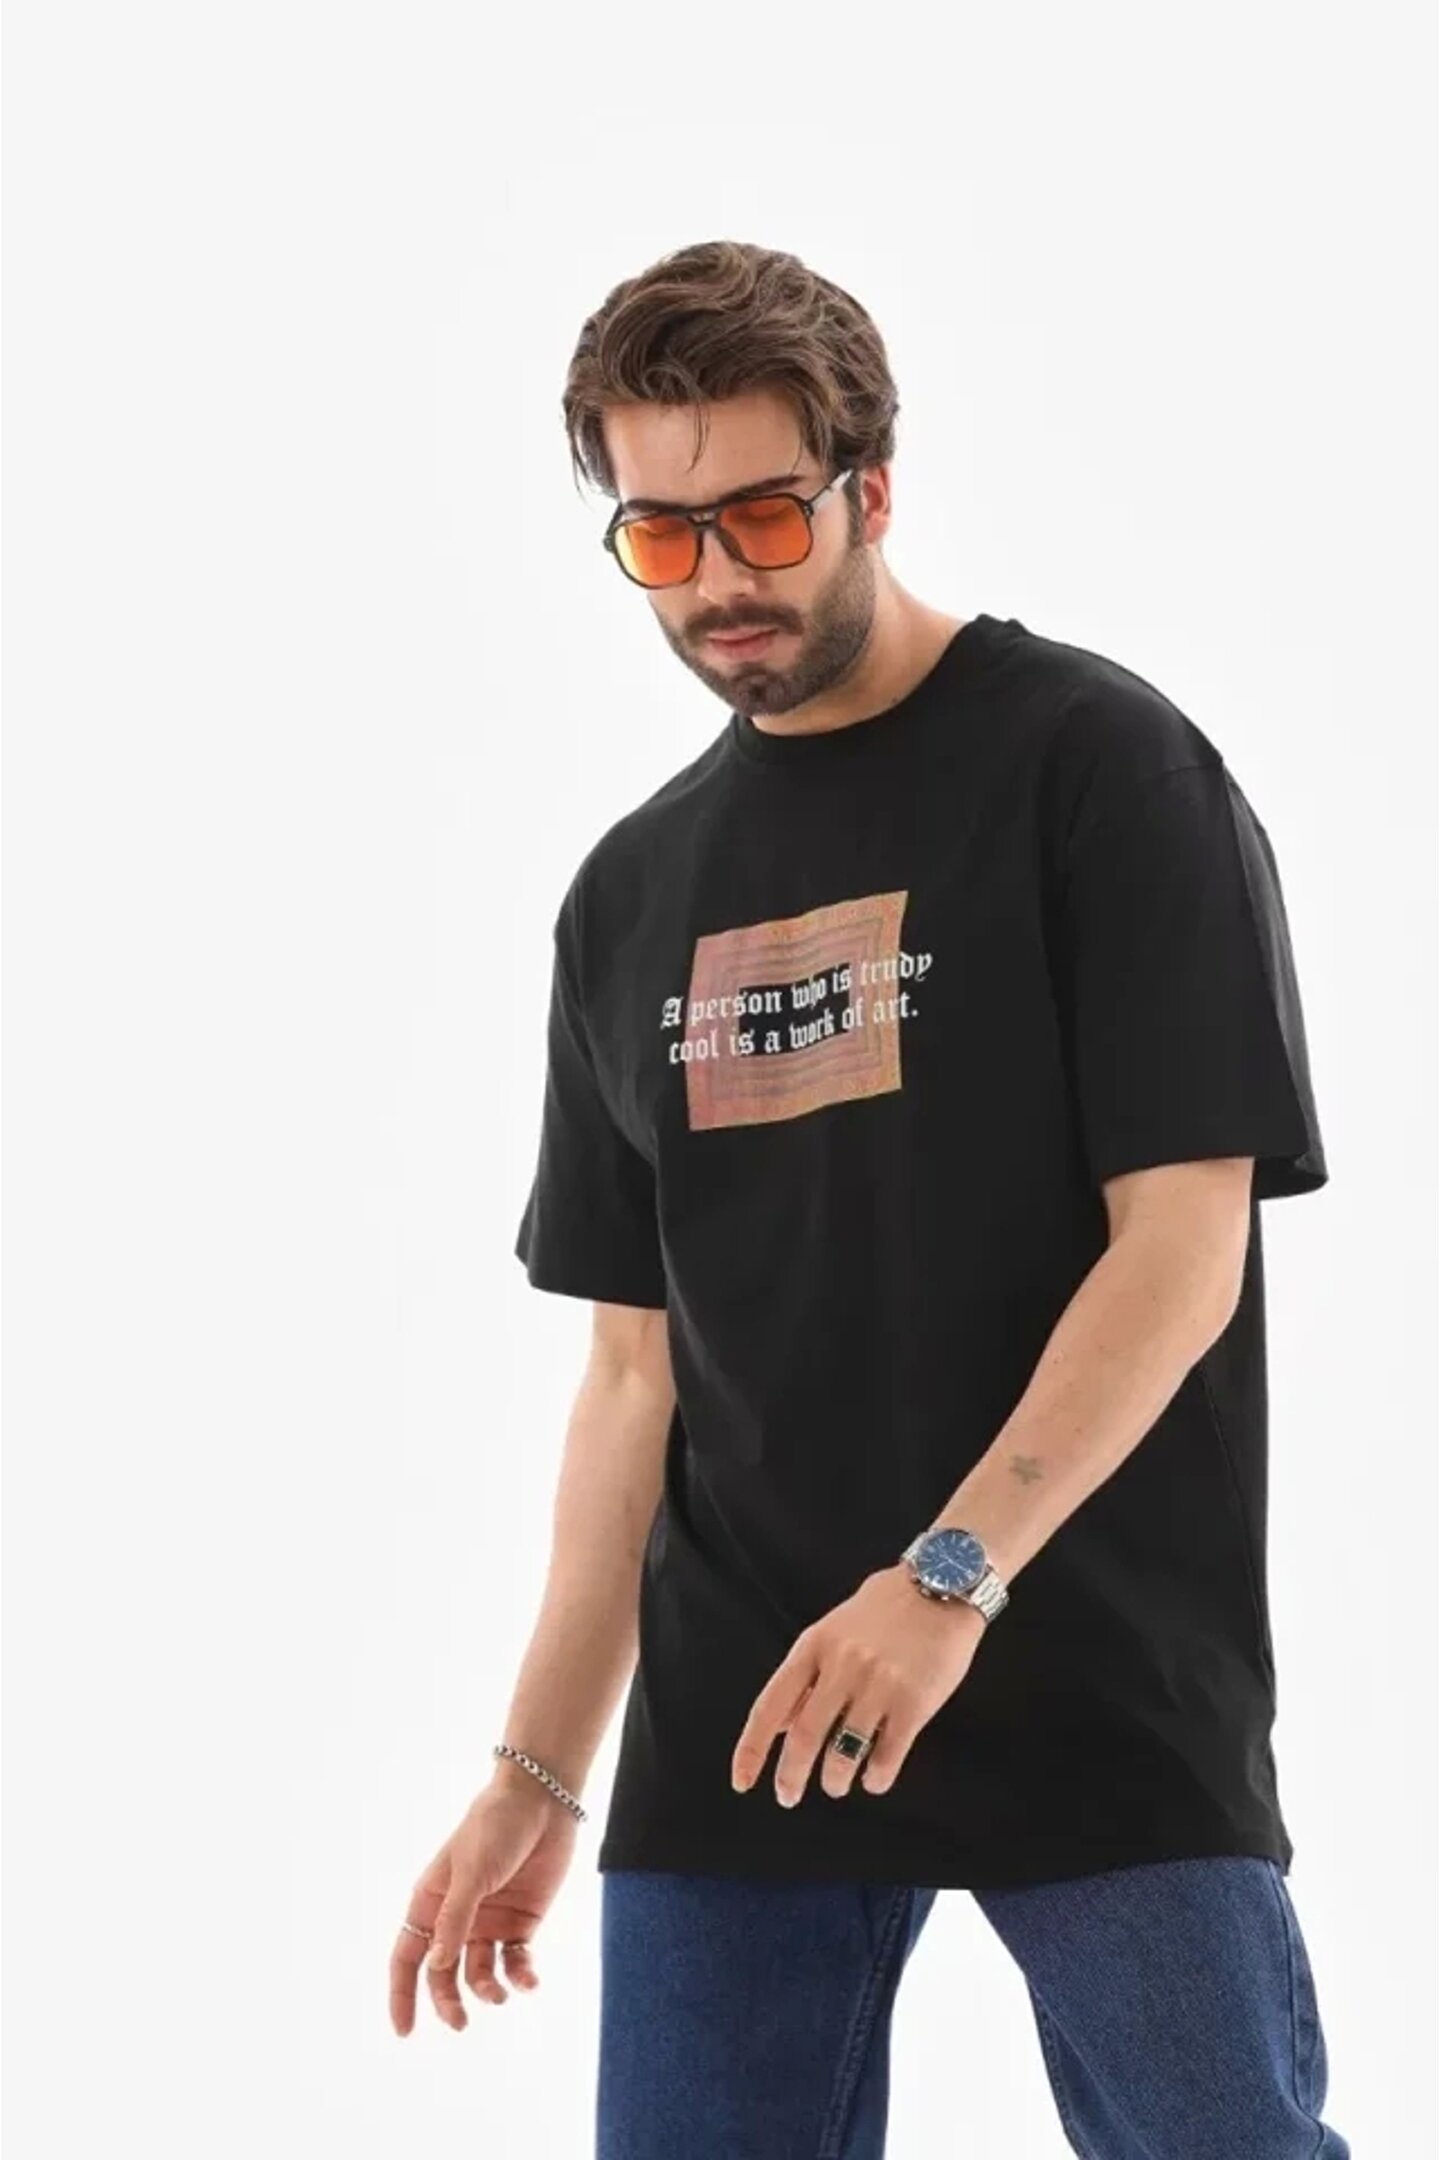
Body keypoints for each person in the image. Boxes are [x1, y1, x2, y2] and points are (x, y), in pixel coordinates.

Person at [389, 239, 1350, 2159]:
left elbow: (1182, 1249)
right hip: (743, 1703)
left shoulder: (1100, 770)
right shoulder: (630, 895)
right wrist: (536, 1772)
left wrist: (947, 1579)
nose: (716, 582)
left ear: (872, 488)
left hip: (1082, 1650)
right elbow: (634, 1382)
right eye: (660, 536)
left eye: (760, 515)